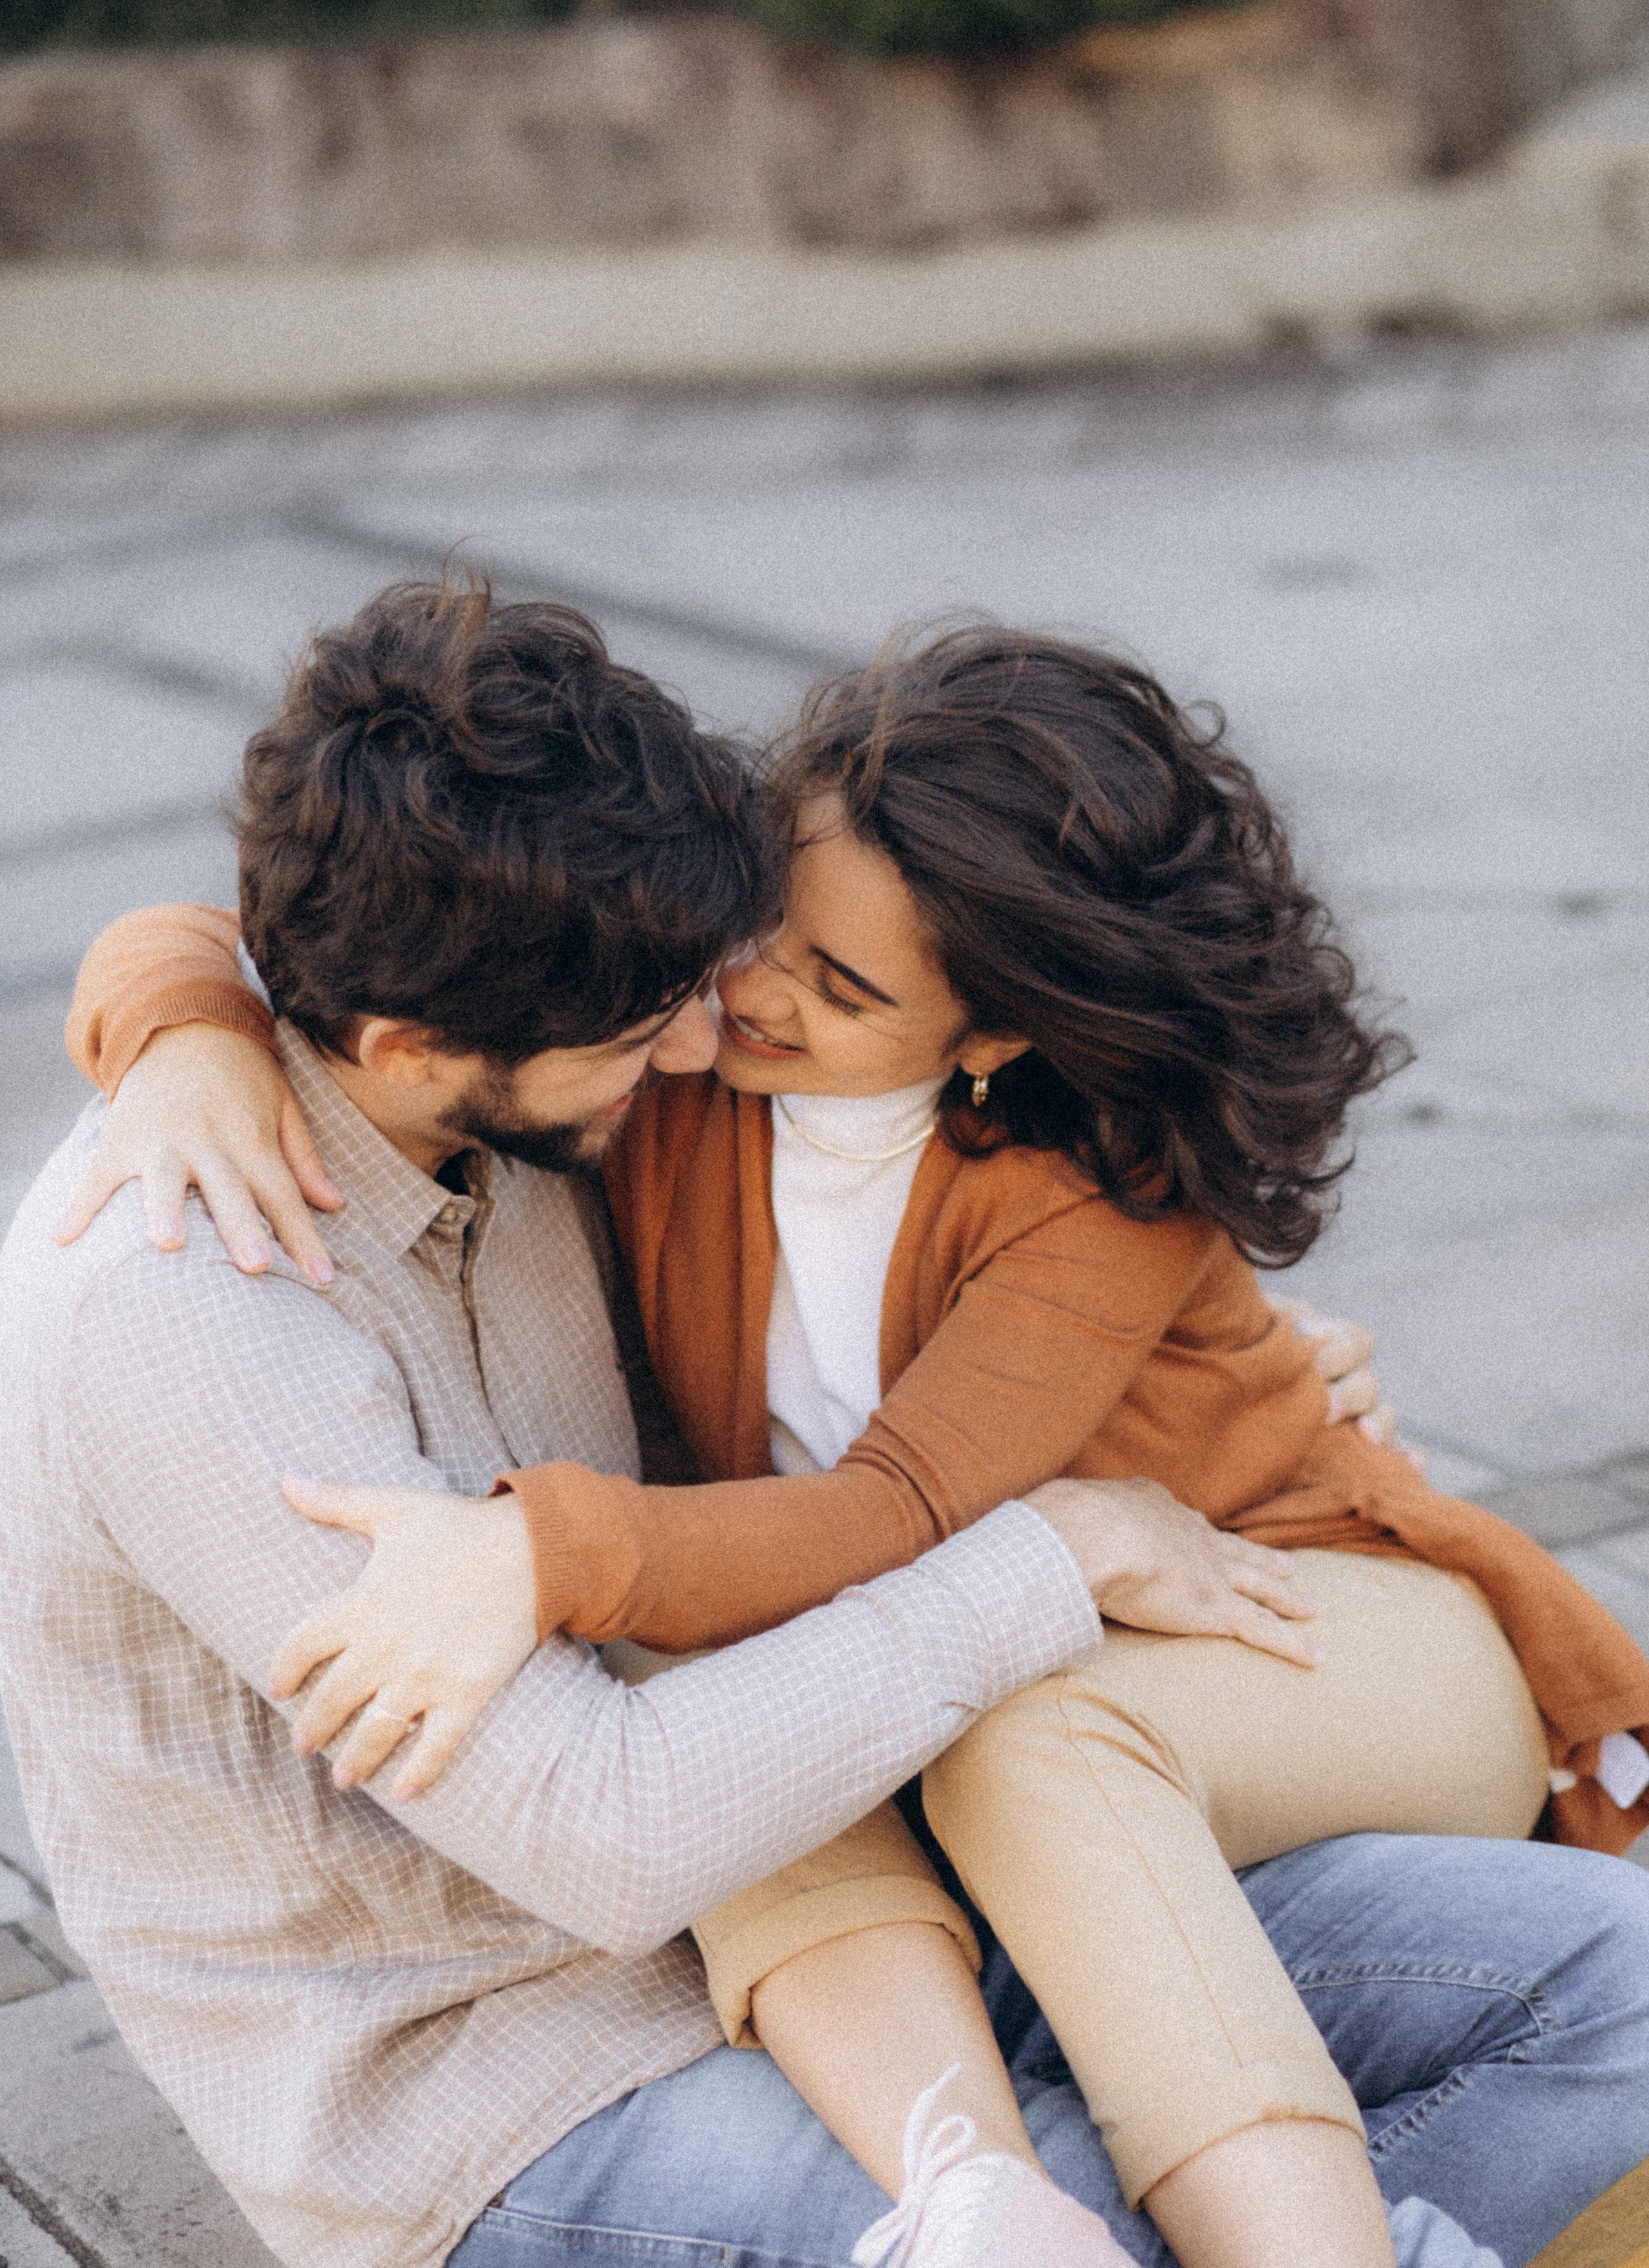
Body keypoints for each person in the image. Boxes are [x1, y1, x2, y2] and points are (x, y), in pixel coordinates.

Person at [60, 609, 1649, 2268]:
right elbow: (338, 938)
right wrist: (180, 1032)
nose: (733, 1001)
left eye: (841, 986)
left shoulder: (1088, 1196)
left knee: (1001, 1725)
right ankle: (979, 2197)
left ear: (996, 1034)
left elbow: (902, 1509)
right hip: (1008, 1685)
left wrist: (545, 1548)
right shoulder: (670, 1078)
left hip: (1294, 1619)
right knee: (744, 1679)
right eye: (758, 928)